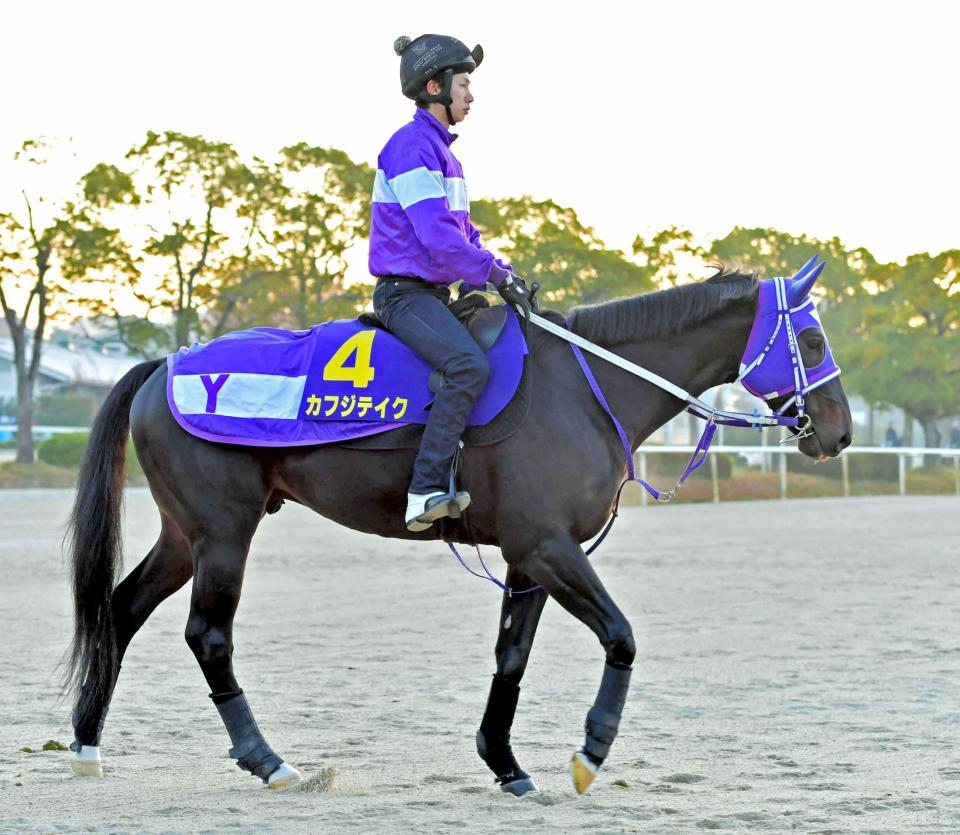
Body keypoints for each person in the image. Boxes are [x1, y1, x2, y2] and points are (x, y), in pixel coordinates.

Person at [369, 33, 533, 532]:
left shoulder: (444, 153)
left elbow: (464, 233)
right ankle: (424, 490)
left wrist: (502, 271)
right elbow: (438, 239)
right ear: (435, 85)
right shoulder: (412, 145)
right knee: (466, 365)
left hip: (433, 294)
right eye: (463, 84)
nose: (471, 94)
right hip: (405, 296)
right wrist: (491, 274)